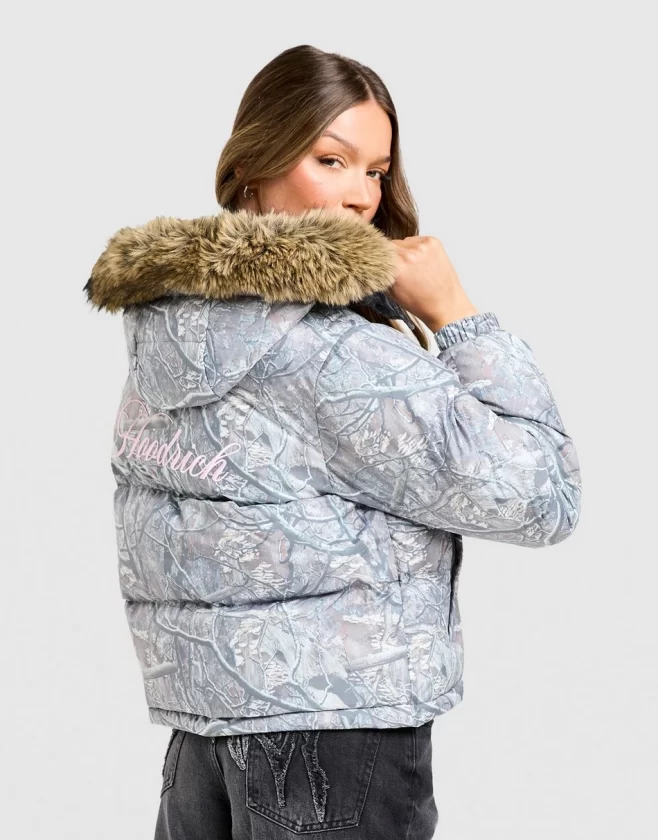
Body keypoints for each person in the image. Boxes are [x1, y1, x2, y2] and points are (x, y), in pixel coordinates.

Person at [84, 44, 582, 840]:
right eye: (331, 160)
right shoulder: (332, 353)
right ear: (255, 166)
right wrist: (459, 316)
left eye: (376, 171)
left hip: (203, 740)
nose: (361, 195)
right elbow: (540, 496)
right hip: (335, 746)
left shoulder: (172, 333)